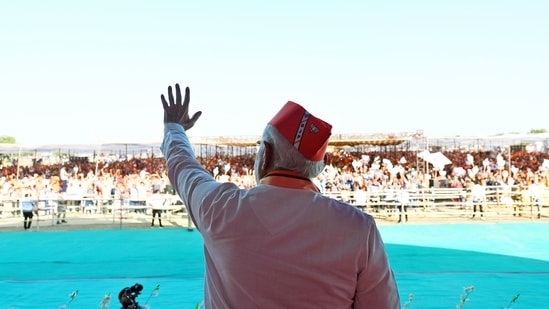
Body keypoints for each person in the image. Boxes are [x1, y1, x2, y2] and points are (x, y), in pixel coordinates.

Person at [160, 83, 400, 308]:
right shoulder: (358, 228)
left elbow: (183, 167)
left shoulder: (221, 209)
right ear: (319, 166)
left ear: (265, 154)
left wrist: (174, 127)